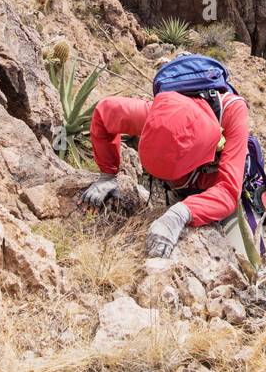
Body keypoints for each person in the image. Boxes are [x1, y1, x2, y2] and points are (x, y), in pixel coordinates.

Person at [82, 88, 250, 258]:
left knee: (242, 255)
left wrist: (180, 214)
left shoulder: (233, 113)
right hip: (183, 186)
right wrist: (107, 174)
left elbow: (229, 191)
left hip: (227, 183)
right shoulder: (154, 116)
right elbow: (103, 112)